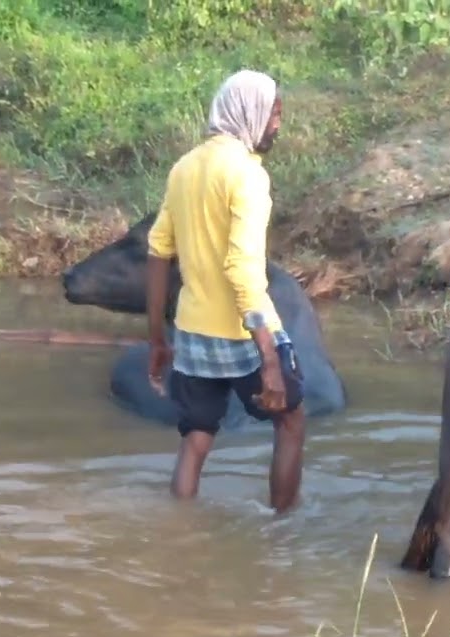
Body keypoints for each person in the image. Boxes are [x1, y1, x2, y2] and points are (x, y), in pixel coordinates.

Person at [142, 69, 306, 512]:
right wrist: (269, 357)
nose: (277, 125)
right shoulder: (247, 176)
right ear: (251, 112)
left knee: (196, 437)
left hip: (193, 336)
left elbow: (158, 251)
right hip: (243, 334)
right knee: (290, 421)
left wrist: (158, 338)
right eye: (274, 113)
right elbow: (242, 269)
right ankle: (283, 531)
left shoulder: (185, 168)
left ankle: (180, 532)